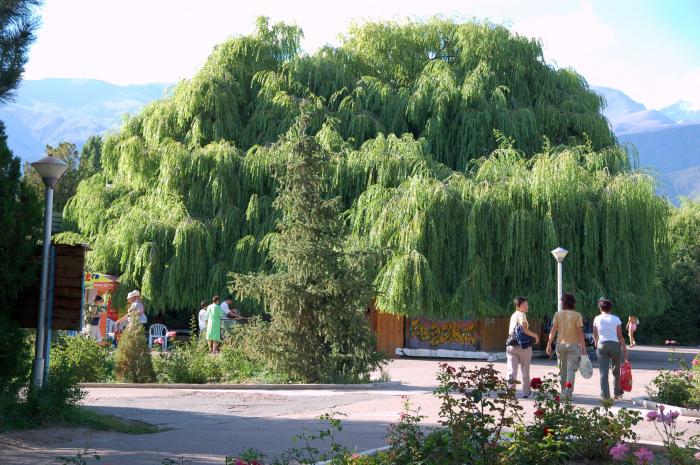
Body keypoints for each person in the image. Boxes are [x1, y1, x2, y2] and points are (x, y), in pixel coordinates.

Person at [546, 293, 586, 399]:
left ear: (563, 303)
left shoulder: (558, 314)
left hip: (560, 345)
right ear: (573, 303)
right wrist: (583, 347)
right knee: (571, 369)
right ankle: (568, 394)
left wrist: (549, 344)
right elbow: (580, 332)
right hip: (573, 346)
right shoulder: (577, 315)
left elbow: (553, 330)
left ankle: (563, 391)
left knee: (563, 370)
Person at [593, 298, 628, 400]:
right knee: (616, 370)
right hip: (615, 345)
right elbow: (620, 336)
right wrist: (625, 349)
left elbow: (595, 333)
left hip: (602, 345)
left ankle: (605, 395)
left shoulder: (597, 319)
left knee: (603, 372)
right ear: (611, 308)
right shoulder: (616, 319)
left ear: (600, 308)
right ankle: (617, 393)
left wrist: (596, 342)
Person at [506, 296, 540, 398]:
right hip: (523, 346)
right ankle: (526, 392)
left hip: (511, 345)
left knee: (512, 370)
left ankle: (510, 392)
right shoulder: (522, 315)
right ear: (518, 307)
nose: (526, 307)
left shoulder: (513, 315)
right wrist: (535, 335)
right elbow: (524, 329)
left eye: (526, 304)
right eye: (524, 305)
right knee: (525, 369)